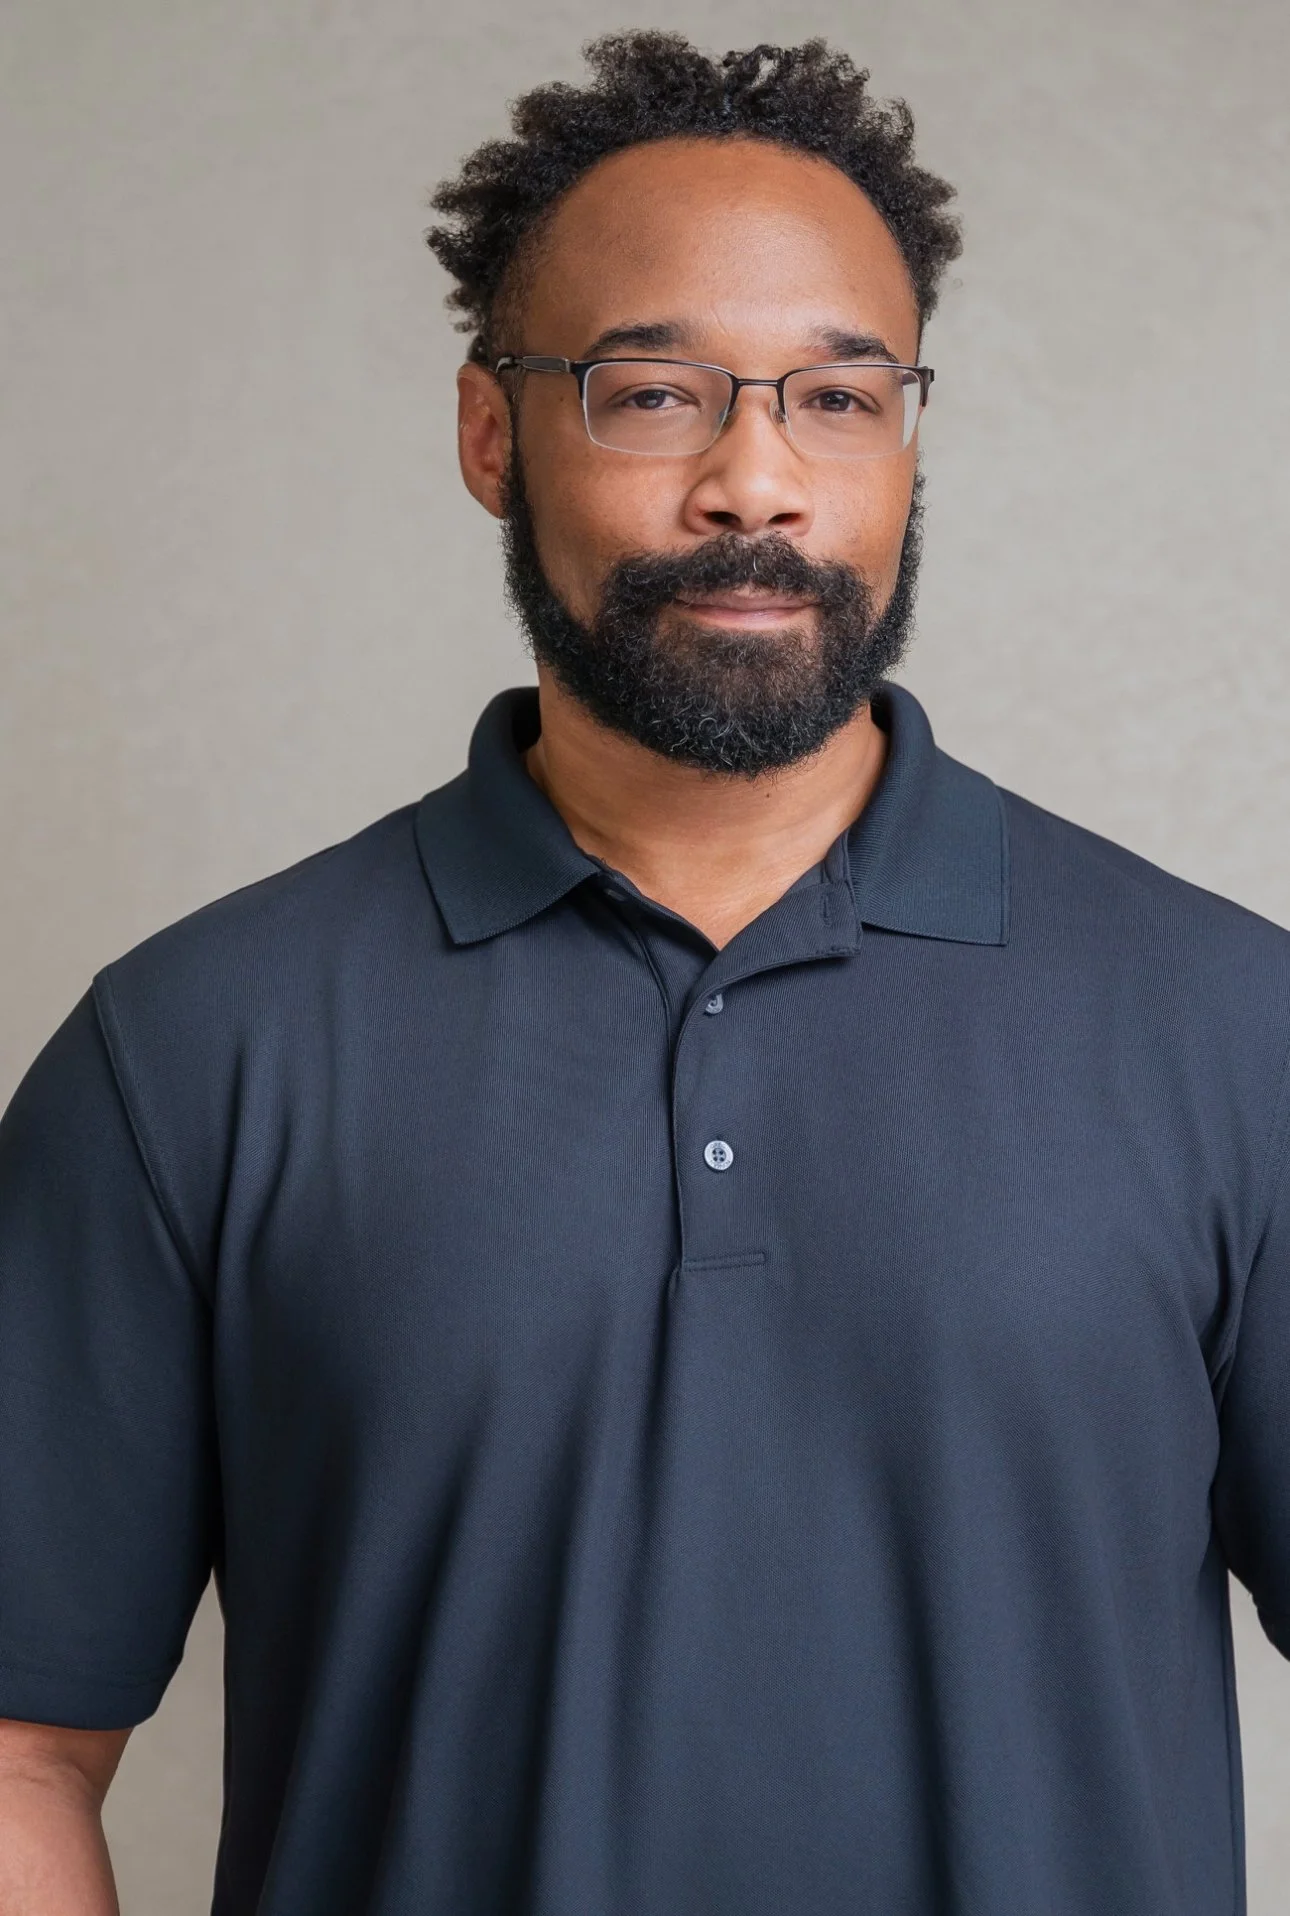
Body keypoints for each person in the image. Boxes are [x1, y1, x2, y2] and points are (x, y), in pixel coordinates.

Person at [0, 29, 1286, 1916]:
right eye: (656, 392)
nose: (753, 484)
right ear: (487, 432)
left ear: (909, 443)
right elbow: (21, 1747)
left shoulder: (1230, 1029)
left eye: (840, 401)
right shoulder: (192, 1049)